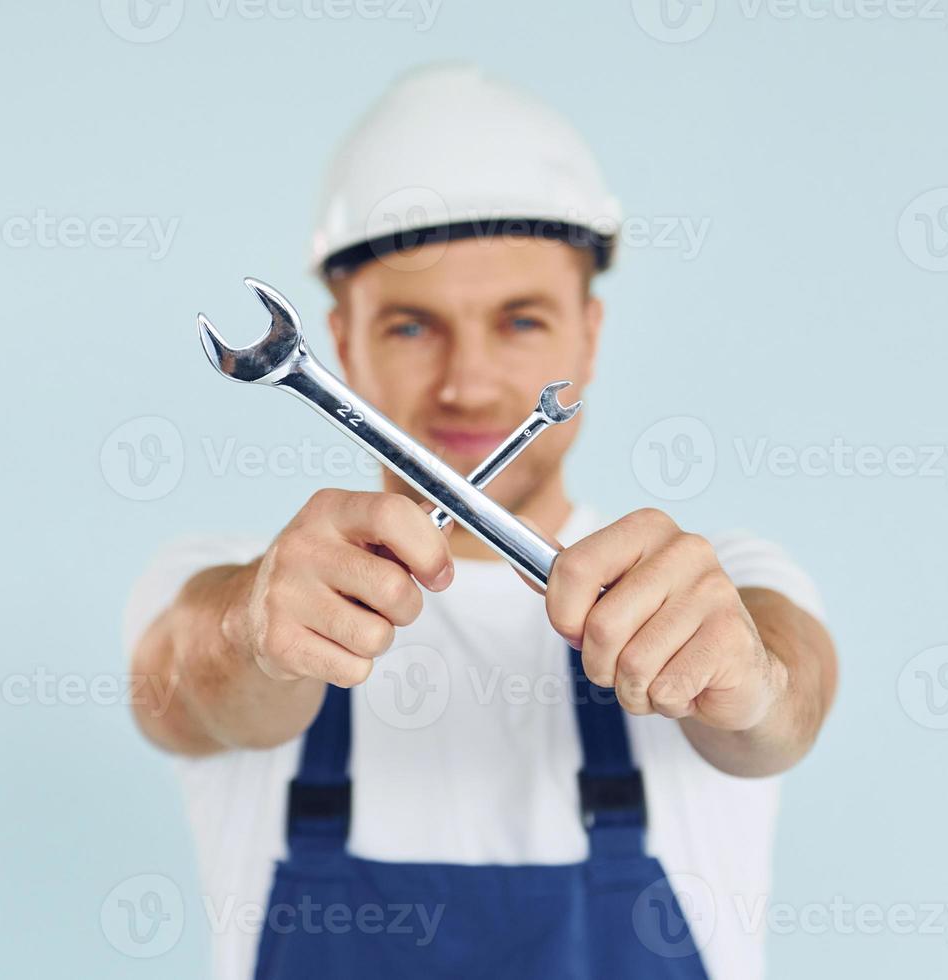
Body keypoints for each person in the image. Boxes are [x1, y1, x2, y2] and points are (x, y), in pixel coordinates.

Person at [124, 62, 837, 980]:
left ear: (589, 332)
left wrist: (752, 673)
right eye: (413, 327)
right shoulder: (234, 580)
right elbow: (187, 679)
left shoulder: (720, 580)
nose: (466, 382)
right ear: (339, 344)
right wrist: (249, 630)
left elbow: (789, 702)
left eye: (519, 321)